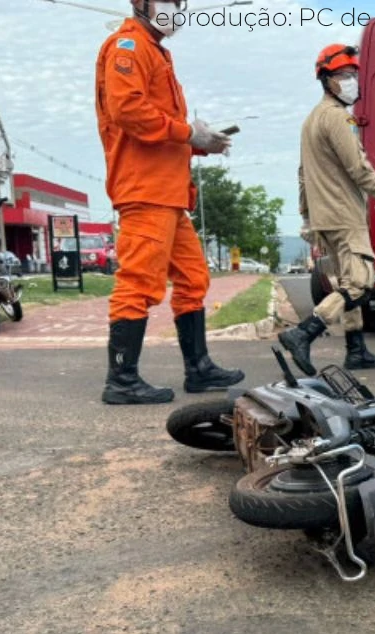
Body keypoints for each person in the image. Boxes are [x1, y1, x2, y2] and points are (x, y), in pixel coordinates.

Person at [95, 0, 243, 404]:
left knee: (194, 278)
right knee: (138, 283)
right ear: (140, 3)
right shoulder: (128, 46)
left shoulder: (155, 51)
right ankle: (121, 380)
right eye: (167, 0)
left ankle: (199, 369)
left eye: (181, 2)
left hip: (169, 193)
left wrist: (200, 143)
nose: (175, 9)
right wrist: (187, 133)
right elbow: (128, 111)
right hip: (145, 189)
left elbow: (162, 130)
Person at [279, 44, 375, 376]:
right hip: (344, 215)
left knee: (345, 280)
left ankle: (356, 350)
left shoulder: (311, 120)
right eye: (344, 75)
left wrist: (307, 215)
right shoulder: (338, 118)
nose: (352, 81)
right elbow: (359, 169)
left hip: (326, 216)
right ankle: (304, 333)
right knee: (360, 281)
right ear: (327, 80)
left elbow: (303, 173)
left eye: (354, 75)